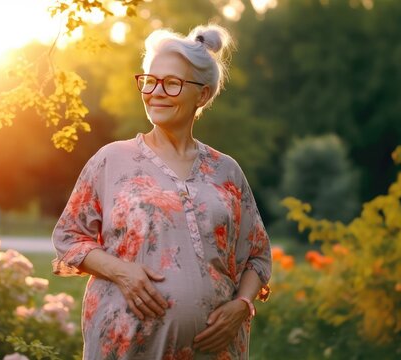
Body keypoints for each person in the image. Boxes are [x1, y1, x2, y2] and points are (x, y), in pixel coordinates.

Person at [52, 24, 272, 359]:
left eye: (171, 83)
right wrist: (121, 272)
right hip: (126, 347)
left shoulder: (226, 170)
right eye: (150, 81)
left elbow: (257, 254)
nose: (156, 92)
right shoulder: (112, 160)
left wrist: (243, 304)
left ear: (202, 94)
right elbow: (69, 237)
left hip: (215, 351)